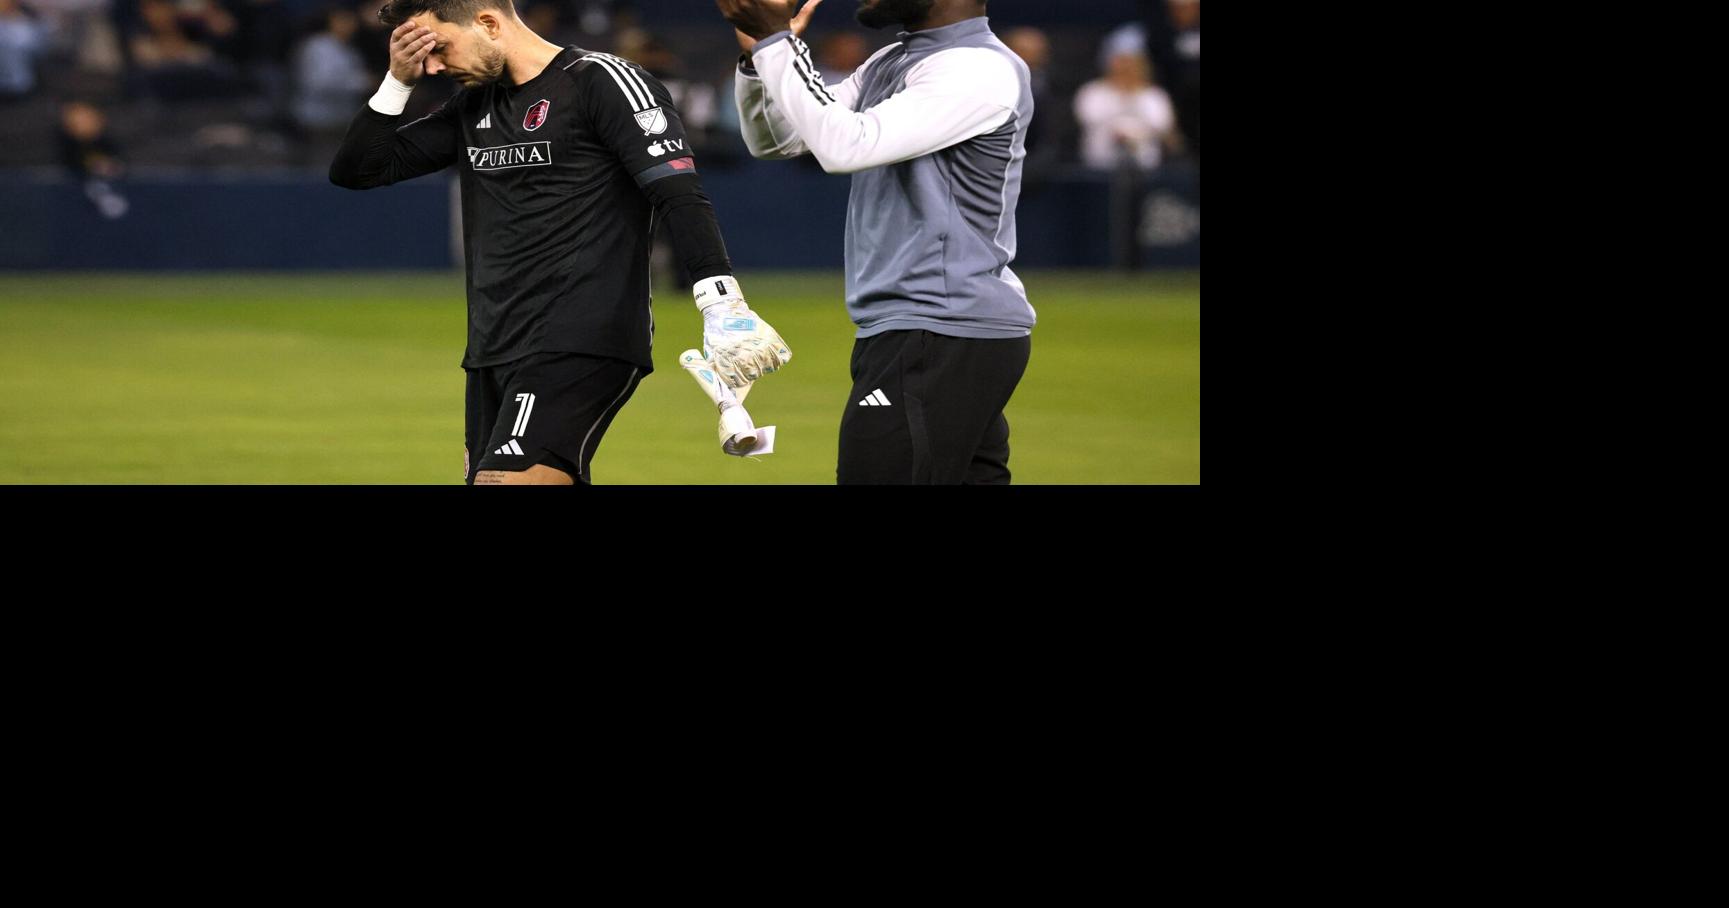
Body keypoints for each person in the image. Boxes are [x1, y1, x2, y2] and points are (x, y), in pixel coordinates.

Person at [330, 0, 790, 485]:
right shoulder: (474, 105)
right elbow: (359, 169)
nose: (433, 67)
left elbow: (678, 191)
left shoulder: (601, 81)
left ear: (488, 23)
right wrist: (398, 81)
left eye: (438, 48)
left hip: (580, 336)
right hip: (493, 345)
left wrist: (721, 304)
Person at [718, 0, 1035, 485]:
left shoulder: (978, 67)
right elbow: (779, 140)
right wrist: (761, 54)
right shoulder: (893, 58)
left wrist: (779, 45)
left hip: (941, 327)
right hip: (929, 330)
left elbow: (847, 145)